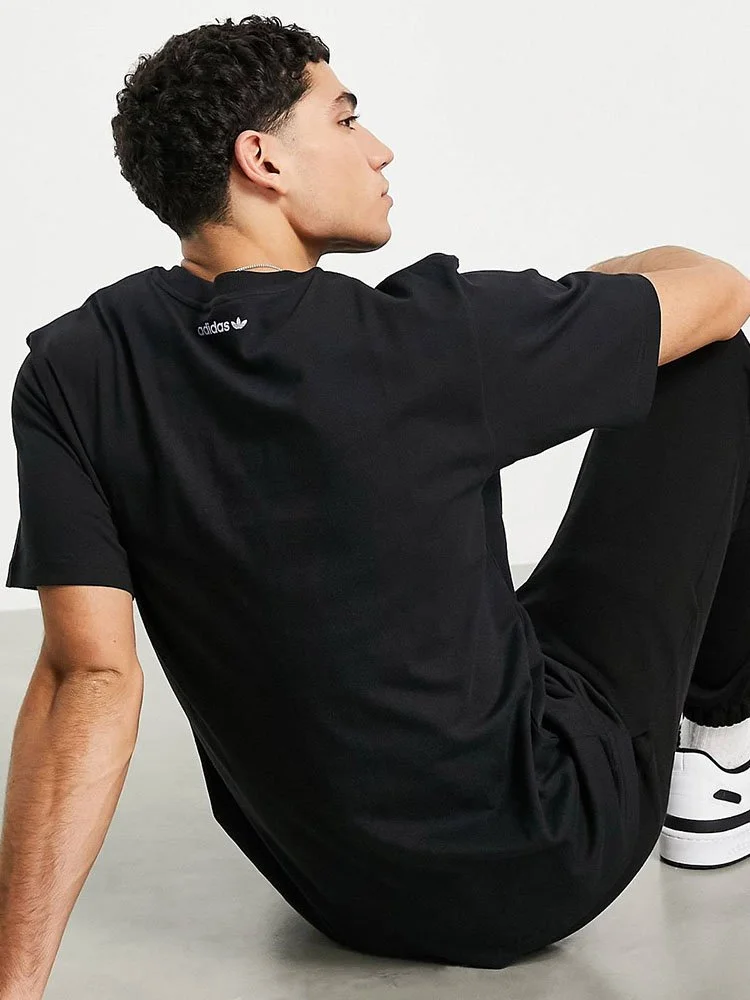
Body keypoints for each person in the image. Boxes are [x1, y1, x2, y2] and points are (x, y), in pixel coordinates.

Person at [1, 13, 750, 994]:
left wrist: (14, 982)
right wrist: (574, 302)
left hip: (332, 890)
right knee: (708, 363)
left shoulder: (73, 368)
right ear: (263, 159)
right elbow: (720, 290)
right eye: (347, 118)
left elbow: (89, 675)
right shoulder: (435, 336)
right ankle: (719, 758)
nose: (379, 147)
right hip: (551, 855)